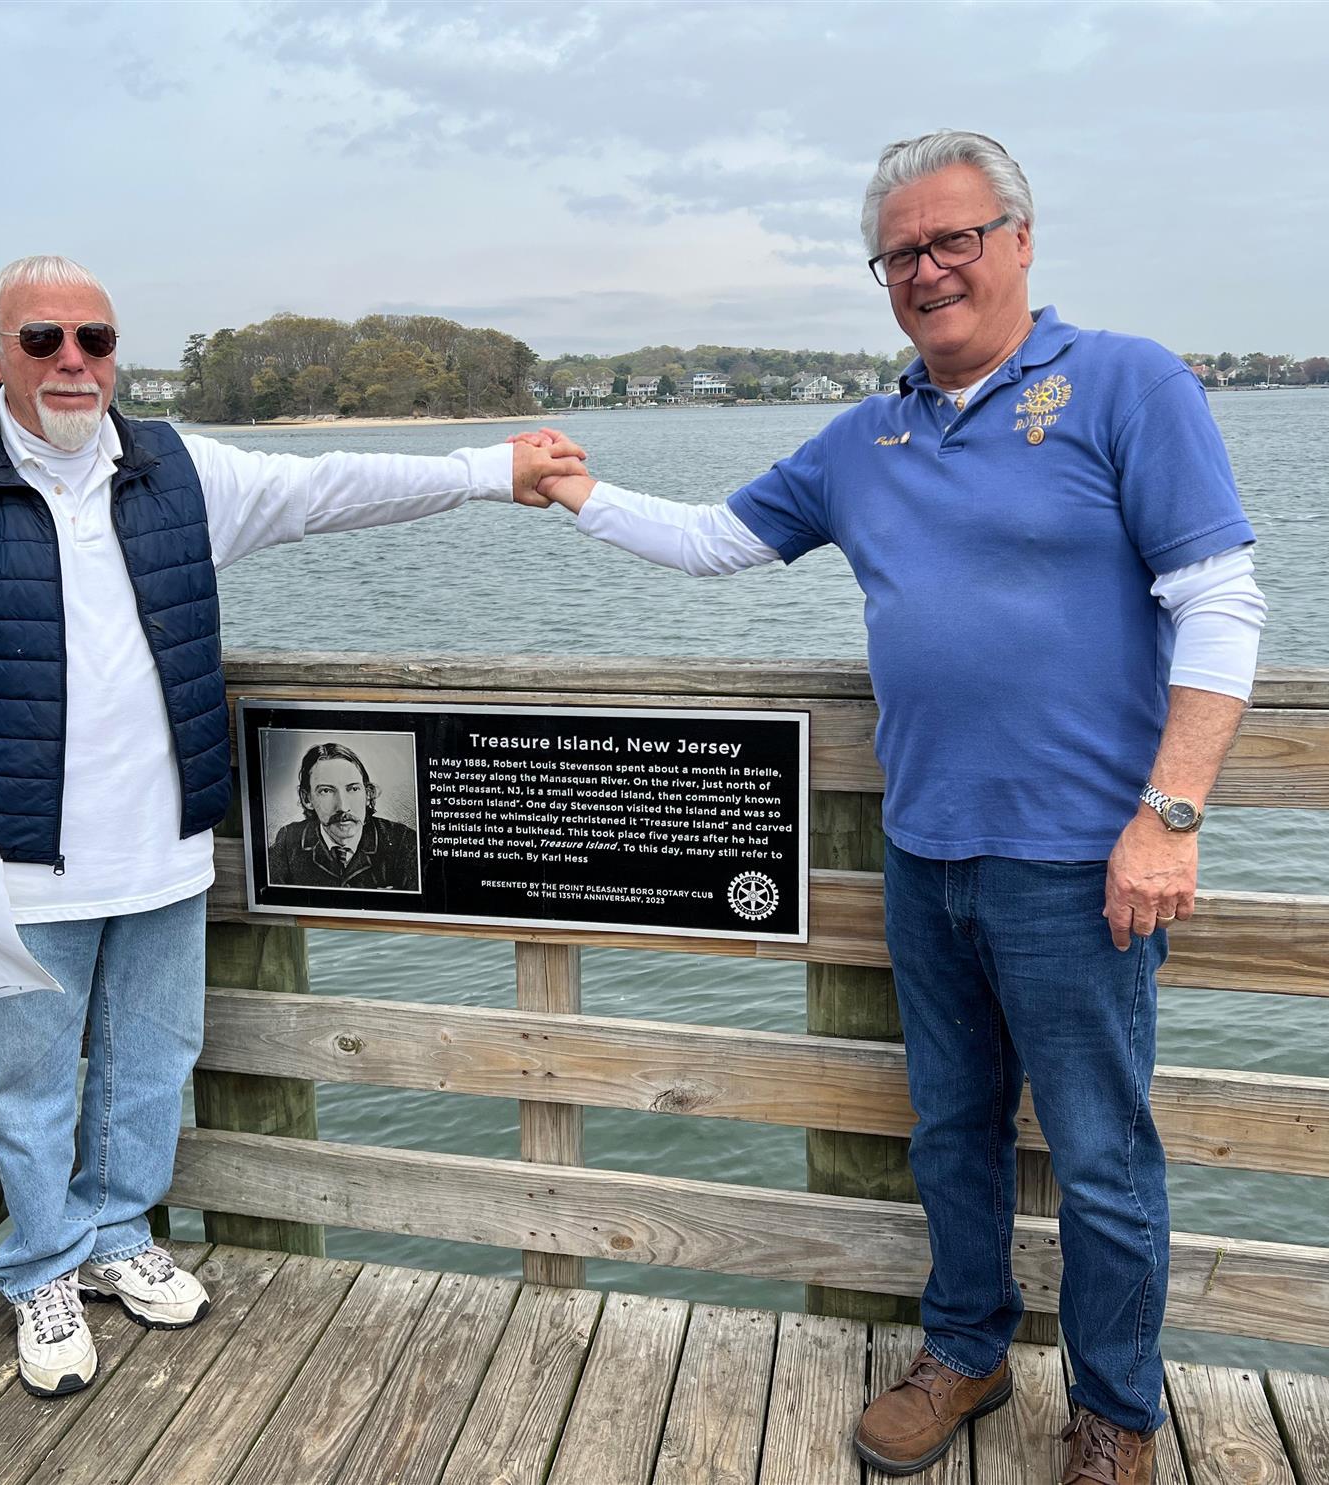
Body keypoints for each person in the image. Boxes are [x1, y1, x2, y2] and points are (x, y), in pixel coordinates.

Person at [528, 132, 1266, 1485]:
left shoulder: (1125, 384)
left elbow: (1218, 602)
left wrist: (1170, 814)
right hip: (927, 851)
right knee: (951, 1126)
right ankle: (966, 1349)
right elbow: (712, 541)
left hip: (1078, 862)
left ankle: (1116, 1414)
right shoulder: (862, 436)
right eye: (901, 253)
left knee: (1101, 1154)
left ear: (1020, 241)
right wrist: (575, 494)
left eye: (954, 240)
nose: (929, 270)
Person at [0, 255, 584, 1399]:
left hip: (165, 851)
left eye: (95, 338)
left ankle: (120, 1232)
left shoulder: (176, 471)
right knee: (29, 1084)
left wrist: (491, 470)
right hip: (9, 864)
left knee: (151, 1060)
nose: (73, 361)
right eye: (43, 340)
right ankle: (41, 1266)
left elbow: (332, 485)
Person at [268, 740, 419, 890]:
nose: (343, 807)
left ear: (367, 794)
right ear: (307, 799)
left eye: (353, 789)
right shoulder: (288, 841)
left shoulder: (403, 842)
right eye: (326, 791)